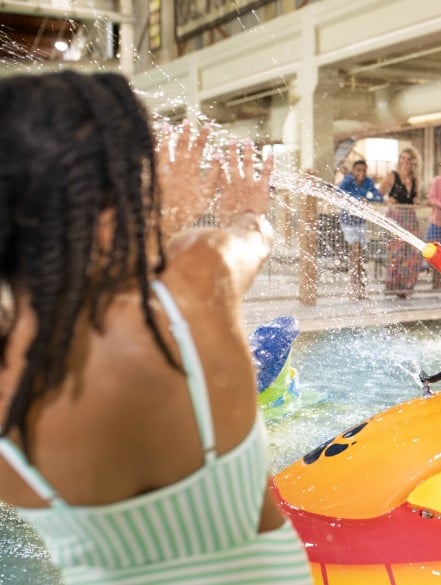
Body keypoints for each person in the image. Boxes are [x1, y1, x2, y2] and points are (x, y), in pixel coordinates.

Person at [0, 71, 311, 584]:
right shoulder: (199, 275)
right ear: (116, 195)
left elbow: (81, 298)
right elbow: (252, 235)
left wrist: (147, 223)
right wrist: (237, 211)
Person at [379, 147, 423, 298]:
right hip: (396, 218)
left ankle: (406, 287)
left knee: (413, 253)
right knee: (396, 253)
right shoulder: (392, 176)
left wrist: (423, 202)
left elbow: (415, 199)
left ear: (413, 162)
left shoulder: (415, 180)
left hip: (410, 218)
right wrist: (387, 200)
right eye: (403, 158)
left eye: (409, 159)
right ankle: (393, 286)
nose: (405, 162)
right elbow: (379, 194)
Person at [338, 159, 383, 299]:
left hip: (361, 222)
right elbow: (339, 192)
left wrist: (368, 199)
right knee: (356, 251)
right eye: (358, 170)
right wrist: (358, 198)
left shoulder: (368, 182)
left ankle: (361, 288)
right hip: (348, 222)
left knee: (360, 256)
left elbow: (378, 196)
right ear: (353, 170)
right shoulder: (348, 180)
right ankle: (353, 288)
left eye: (363, 170)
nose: (361, 173)